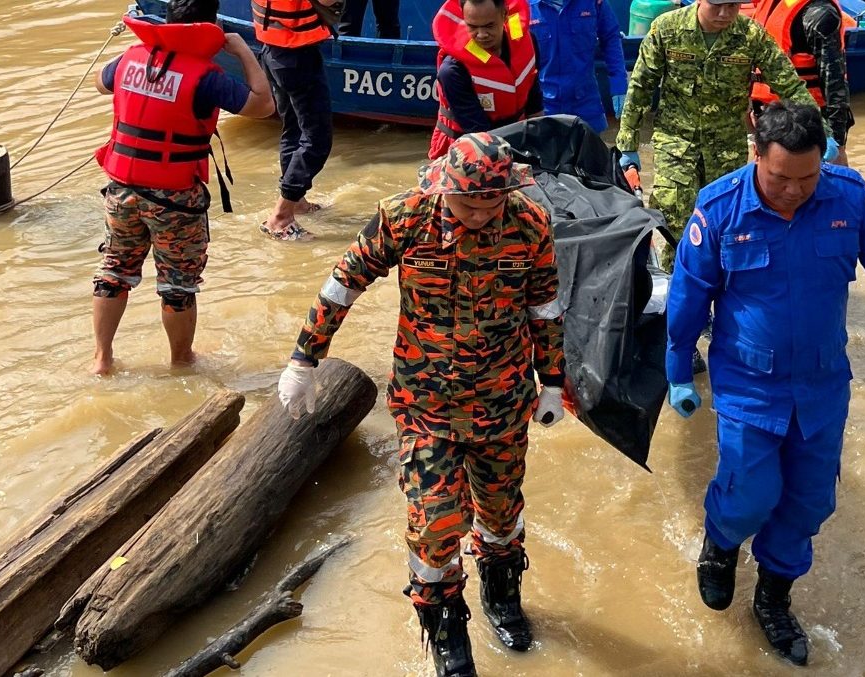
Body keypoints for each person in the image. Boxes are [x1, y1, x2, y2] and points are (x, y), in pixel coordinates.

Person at [665, 102, 865, 666]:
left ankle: (774, 599)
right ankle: (721, 544)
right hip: (748, 384)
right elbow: (689, 293)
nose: (794, 192)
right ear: (757, 155)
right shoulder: (719, 209)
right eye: (781, 178)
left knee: (809, 503)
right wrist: (678, 369)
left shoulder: (848, 198)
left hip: (823, 383)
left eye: (807, 178)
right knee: (750, 494)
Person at [276, 133, 565, 677]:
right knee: (434, 526)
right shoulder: (404, 217)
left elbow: (544, 306)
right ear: (446, 188)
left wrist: (552, 380)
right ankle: (447, 630)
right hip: (426, 403)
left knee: (502, 516)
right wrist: (303, 359)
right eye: (467, 203)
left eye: (490, 204)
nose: (479, 215)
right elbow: (344, 283)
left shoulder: (529, 224)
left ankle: (502, 596)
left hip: (503, 402)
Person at [89, 0, 274, 375]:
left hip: (121, 190)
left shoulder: (131, 57)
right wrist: (241, 50)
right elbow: (263, 105)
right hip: (174, 198)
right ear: (210, 26)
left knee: (113, 271)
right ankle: (181, 361)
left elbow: (99, 83)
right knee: (177, 285)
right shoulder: (205, 76)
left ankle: (101, 359)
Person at [615, 0, 826, 271]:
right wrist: (627, 143)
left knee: (730, 225)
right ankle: (676, 291)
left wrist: (822, 133)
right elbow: (641, 86)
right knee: (676, 221)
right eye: (717, 5)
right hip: (676, 143)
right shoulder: (667, 29)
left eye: (733, 5)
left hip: (726, 148)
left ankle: (725, 291)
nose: (725, 14)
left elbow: (789, 85)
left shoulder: (751, 35)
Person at [251, 0, 338, 240]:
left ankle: (296, 202)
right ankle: (281, 216)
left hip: (271, 50)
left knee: (293, 131)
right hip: (297, 56)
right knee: (317, 140)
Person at [745, 0, 855, 165]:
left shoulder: (819, 13)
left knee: (815, 184)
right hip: (768, 119)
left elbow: (835, 83)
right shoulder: (769, 4)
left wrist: (837, 141)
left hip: (807, 123)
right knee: (769, 181)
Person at [430, 0, 543, 160]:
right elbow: (481, 137)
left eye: (489, 26)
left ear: (504, 15)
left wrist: (541, 146)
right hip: (469, 148)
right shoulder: (453, 71)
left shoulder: (527, 42)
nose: (482, 35)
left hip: (515, 136)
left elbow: (534, 103)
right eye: (473, 27)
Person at [528, 0, 628, 134]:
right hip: (544, 107)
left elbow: (611, 37)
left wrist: (619, 84)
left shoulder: (593, 3)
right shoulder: (523, 8)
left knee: (590, 152)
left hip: (586, 104)